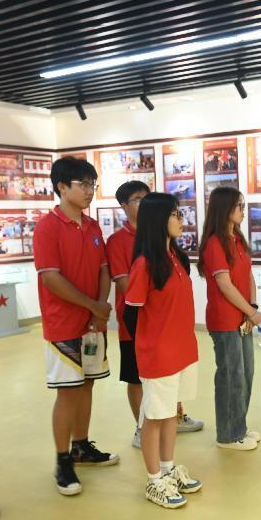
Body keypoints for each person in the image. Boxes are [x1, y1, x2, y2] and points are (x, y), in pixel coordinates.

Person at [32, 157, 117, 497]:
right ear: (62, 187)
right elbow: (51, 279)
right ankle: (62, 459)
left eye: (93, 185)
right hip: (63, 325)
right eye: (83, 185)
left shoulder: (93, 227)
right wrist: (93, 306)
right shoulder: (47, 227)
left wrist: (99, 310)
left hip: (92, 323)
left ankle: (81, 446)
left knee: (87, 386)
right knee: (67, 391)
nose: (90, 191)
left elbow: (104, 270)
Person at [124, 193, 203, 508]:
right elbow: (131, 313)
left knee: (172, 413)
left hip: (183, 350)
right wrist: (150, 345)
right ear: (158, 219)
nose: (181, 219)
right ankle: (154, 479)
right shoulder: (144, 264)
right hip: (159, 355)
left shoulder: (176, 258)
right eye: (175, 214)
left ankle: (169, 469)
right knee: (154, 417)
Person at [198, 187, 261, 450]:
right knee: (231, 376)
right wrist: (252, 312)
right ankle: (228, 435)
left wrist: (252, 307)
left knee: (246, 373)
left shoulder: (237, 239)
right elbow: (225, 285)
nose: (243, 210)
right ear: (224, 208)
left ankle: (238, 425)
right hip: (225, 320)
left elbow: (248, 275)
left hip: (243, 317)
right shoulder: (215, 243)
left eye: (243, 205)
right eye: (239, 205)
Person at [107, 181, 149, 449]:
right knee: (136, 377)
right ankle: (141, 428)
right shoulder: (117, 241)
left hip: (162, 320)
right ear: (124, 206)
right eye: (137, 199)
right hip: (133, 320)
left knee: (166, 372)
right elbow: (124, 284)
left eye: (147, 198)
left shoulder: (158, 234)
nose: (144, 204)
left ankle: (174, 416)